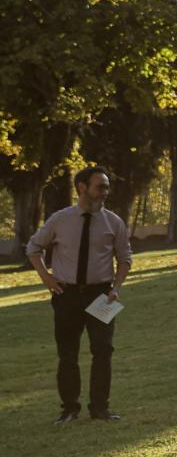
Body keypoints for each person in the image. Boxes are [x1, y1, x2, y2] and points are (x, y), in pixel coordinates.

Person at [26, 166, 131, 424]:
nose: (105, 192)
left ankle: (100, 408)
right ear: (82, 187)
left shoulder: (114, 222)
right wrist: (47, 278)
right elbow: (34, 247)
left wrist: (116, 288)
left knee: (103, 349)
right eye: (100, 187)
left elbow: (125, 258)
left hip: (101, 294)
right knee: (68, 352)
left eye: (106, 187)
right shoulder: (60, 220)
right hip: (67, 294)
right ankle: (69, 409)